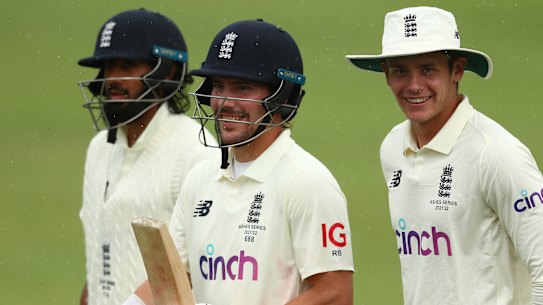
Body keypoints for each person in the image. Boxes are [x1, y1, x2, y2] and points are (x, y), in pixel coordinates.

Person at [125, 19, 354, 305]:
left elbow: (335, 294)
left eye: (242, 87)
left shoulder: (308, 181)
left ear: (281, 97)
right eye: (218, 86)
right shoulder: (200, 177)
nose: (224, 102)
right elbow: (174, 277)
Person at [346, 6, 543, 305]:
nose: (414, 86)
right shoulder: (392, 147)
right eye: (401, 70)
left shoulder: (497, 154)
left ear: (457, 70)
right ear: (386, 74)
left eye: (427, 69)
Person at [77, 9, 217, 305]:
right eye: (108, 67)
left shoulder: (195, 148)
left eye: (127, 65)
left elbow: (206, 265)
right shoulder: (99, 148)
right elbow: (103, 248)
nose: (112, 79)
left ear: (166, 72)